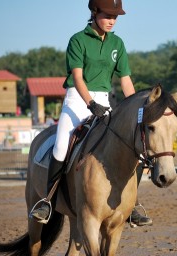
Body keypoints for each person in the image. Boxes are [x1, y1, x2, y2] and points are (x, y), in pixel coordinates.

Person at [31, 0, 152, 226]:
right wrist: (90, 103)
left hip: (105, 101)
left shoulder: (117, 43)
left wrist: (138, 110)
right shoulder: (78, 40)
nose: (112, 20)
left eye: (115, 16)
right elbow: (77, 77)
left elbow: (125, 80)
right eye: (108, 15)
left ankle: (132, 205)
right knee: (60, 146)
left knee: (133, 148)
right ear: (94, 12)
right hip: (78, 100)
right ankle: (47, 201)